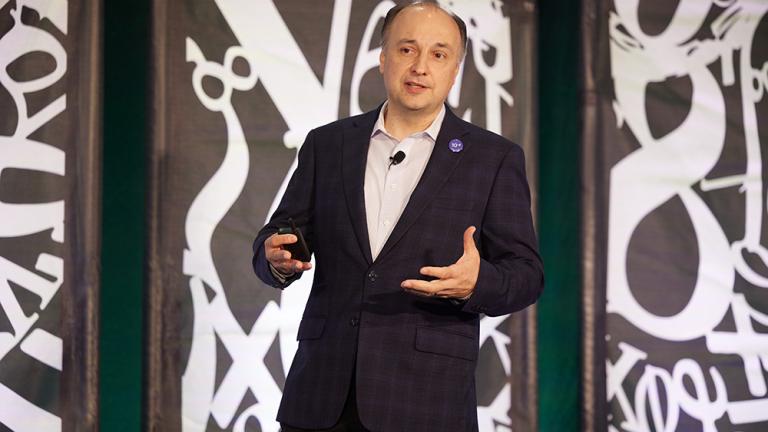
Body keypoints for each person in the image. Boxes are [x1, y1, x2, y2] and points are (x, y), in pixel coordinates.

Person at [252, 2, 543, 431]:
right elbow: (280, 236)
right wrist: (274, 258)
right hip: (320, 395)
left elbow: (527, 275)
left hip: (425, 402)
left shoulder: (493, 158)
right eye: (407, 49)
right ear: (384, 58)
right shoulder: (328, 145)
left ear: (456, 69)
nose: (420, 66)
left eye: (439, 54)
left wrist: (477, 282)